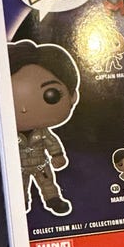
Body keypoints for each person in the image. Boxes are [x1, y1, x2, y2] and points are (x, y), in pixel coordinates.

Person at [8, 40, 80, 215]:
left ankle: (53, 200)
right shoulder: (8, 136)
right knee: (19, 186)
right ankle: (21, 203)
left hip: (41, 164)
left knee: (47, 183)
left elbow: (52, 142)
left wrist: (57, 156)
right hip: (19, 168)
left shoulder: (43, 133)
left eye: (51, 95)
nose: (24, 109)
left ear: (73, 96)